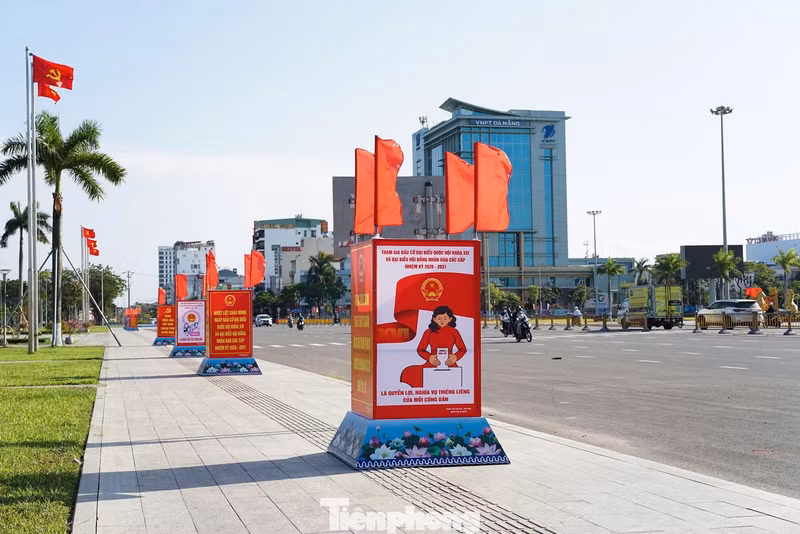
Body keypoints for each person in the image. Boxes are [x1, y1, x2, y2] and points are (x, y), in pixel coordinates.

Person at [400, 305, 467, 388]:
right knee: (409, 372)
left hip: (449, 363)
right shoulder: (428, 332)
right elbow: (420, 349)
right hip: (432, 362)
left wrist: (455, 357)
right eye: (439, 318)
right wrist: (429, 357)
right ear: (434, 319)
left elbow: (463, 349)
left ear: (450, 319)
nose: (442, 321)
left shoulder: (454, 332)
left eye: (445, 318)